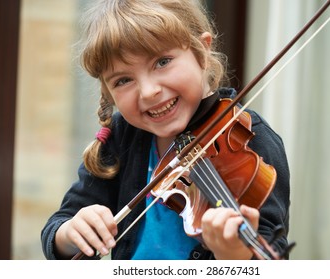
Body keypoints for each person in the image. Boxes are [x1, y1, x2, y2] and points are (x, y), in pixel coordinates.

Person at [41, 0, 290, 260]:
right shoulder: (123, 137)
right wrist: (71, 234)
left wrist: (234, 254)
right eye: (123, 80)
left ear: (202, 51)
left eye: (162, 62)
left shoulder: (249, 138)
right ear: (108, 91)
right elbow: (57, 229)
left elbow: (273, 254)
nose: (149, 92)